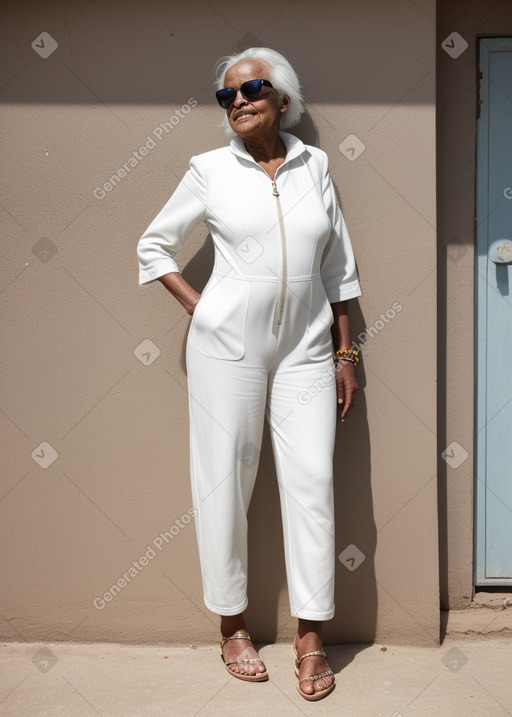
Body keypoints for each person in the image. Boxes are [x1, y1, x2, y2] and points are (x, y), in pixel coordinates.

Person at [137, 47, 361, 702]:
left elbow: (338, 268)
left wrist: (345, 353)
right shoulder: (208, 170)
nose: (238, 100)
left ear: (283, 99)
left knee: (313, 481)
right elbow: (152, 244)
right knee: (223, 481)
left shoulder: (315, 164)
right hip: (227, 350)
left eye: (253, 88)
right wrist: (201, 308)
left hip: (306, 349)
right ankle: (232, 625)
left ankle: (311, 634)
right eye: (227, 94)